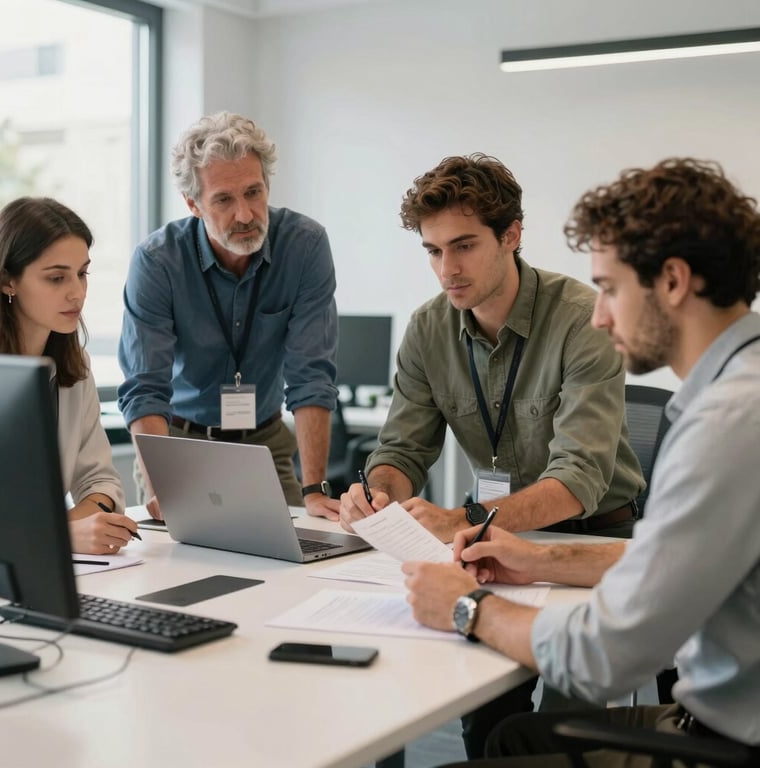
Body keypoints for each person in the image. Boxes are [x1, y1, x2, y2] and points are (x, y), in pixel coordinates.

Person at [403, 157, 760, 766]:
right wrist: (540, 558)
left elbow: (604, 657)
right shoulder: (738, 393)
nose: (599, 314)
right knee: (511, 739)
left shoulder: (728, 424)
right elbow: (669, 561)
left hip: (722, 743)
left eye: (611, 288)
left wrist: (468, 607)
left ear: (672, 282)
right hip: (720, 719)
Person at [341, 153, 643, 542]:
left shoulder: (583, 319)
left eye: (463, 246)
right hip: (485, 530)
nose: (447, 269)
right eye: (434, 251)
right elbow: (403, 451)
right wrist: (376, 496)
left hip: (595, 535)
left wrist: (459, 520)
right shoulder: (427, 329)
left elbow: (579, 474)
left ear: (510, 236)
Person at [118, 112, 339, 521]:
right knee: (179, 568)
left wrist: (314, 489)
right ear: (194, 204)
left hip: (267, 441)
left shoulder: (304, 246)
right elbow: (145, 388)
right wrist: (162, 487)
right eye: (223, 199)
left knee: (297, 560)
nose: (245, 214)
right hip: (181, 446)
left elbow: (311, 377)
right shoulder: (157, 262)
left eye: (254, 192)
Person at [0, 196, 136, 555]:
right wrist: (58, 537)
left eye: (82, 273)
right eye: (57, 277)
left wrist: (64, 532)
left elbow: (100, 482)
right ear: (9, 280)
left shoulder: (76, 368)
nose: (78, 292)